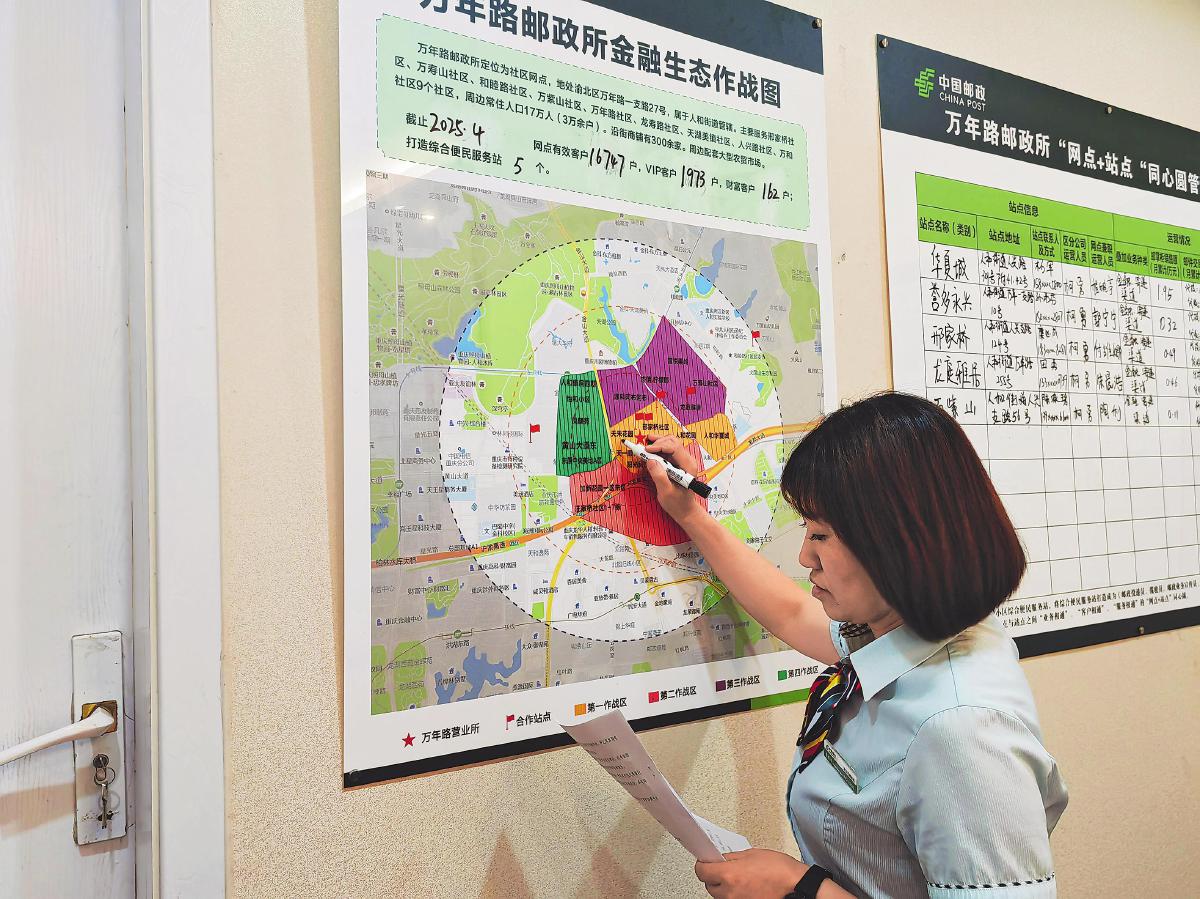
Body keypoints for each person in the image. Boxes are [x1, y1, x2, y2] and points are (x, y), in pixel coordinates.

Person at [641, 392, 1067, 899]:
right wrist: (692, 516)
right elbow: (792, 612)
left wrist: (797, 887)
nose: (805, 557)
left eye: (820, 535)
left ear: (897, 540)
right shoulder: (914, 628)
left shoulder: (961, 730)